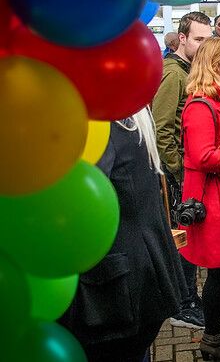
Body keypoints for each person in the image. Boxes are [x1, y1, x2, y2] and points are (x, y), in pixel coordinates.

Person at [60, 108, 185, 362]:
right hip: (144, 271)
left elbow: (83, 204)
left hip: (116, 288)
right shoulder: (128, 116)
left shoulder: (99, 125)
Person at [179, 37, 220, 361]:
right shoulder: (199, 104)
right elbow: (203, 155)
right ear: (214, 62)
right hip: (213, 199)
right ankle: (213, 338)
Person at [152, 11, 211, 329]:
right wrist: (179, 173)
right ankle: (181, 303)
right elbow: (163, 130)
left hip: (187, 172)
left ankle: (187, 298)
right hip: (179, 175)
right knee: (183, 239)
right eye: (198, 39)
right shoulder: (173, 73)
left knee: (189, 238)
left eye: (207, 39)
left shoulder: (188, 70)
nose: (203, 46)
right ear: (183, 38)